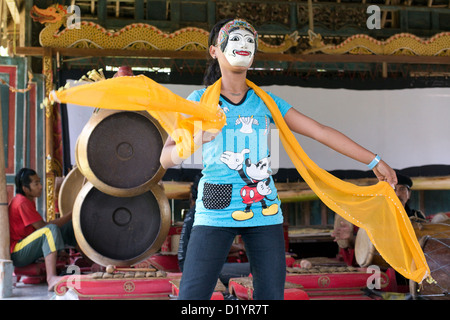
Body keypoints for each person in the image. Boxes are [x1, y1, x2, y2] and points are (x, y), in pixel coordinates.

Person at [160, 18, 397, 300]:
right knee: (192, 298)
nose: (243, 45)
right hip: (215, 209)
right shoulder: (198, 101)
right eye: (235, 39)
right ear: (214, 51)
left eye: (249, 41)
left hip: (264, 209)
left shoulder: (267, 102)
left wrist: (374, 160)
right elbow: (165, 158)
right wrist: (195, 139)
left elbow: (319, 131)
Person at [8, 168, 77, 291]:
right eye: (36, 184)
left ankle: (93, 261)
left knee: (69, 226)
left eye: (39, 182)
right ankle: (51, 278)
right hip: (18, 252)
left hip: (26, 246)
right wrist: (73, 212)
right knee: (49, 230)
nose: (40, 186)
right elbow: (43, 228)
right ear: (25, 189)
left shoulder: (28, 201)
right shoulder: (21, 202)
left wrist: (71, 217)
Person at [332, 173, 425, 254]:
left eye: (402, 189)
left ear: (409, 194)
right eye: (392, 189)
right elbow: (366, 248)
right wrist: (350, 238)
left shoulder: (417, 217)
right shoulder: (372, 217)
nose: (397, 194)